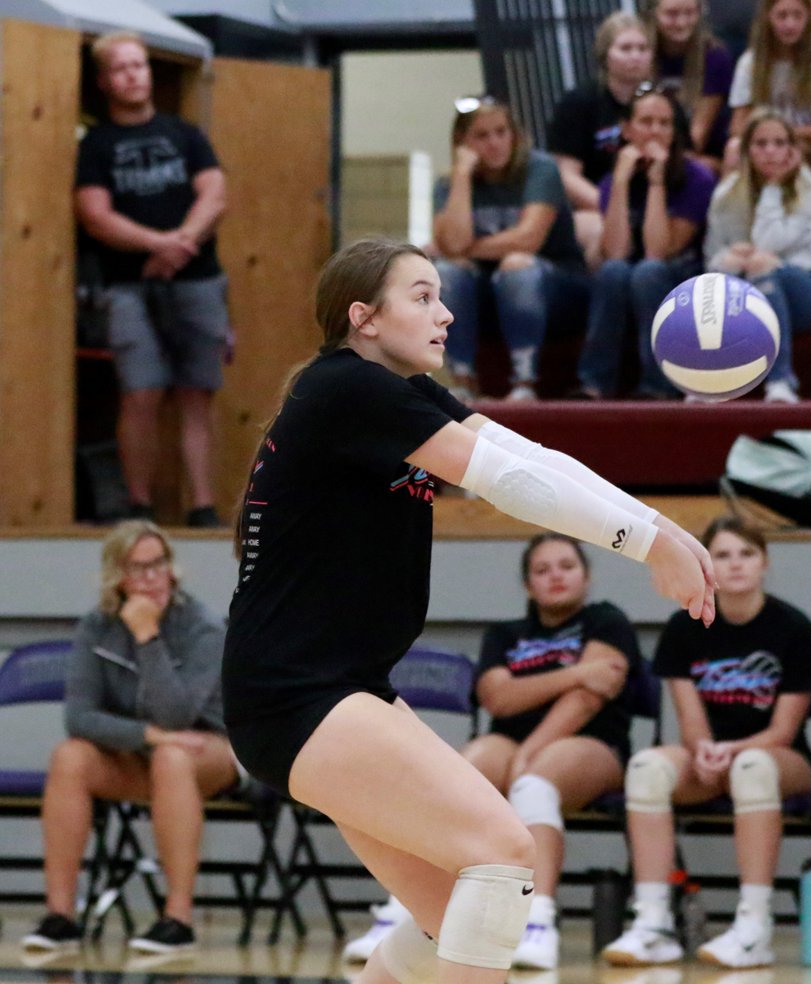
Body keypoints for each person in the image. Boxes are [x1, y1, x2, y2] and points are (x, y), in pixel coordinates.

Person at [220, 238, 714, 984]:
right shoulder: (346, 390)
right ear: (365, 318)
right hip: (298, 696)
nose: (446, 313)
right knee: (505, 852)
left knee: (451, 916)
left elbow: (535, 460)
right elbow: (507, 486)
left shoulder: (398, 393)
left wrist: (663, 529)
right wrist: (647, 545)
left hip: (326, 693)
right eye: (422, 296)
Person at [344, 534, 642, 970]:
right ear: (527, 586)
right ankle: (407, 905)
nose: (555, 576)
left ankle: (538, 922)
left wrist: (534, 745)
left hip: (590, 744)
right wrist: (576, 672)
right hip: (509, 740)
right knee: (462, 770)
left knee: (535, 785)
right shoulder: (506, 633)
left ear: (587, 576)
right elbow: (497, 699)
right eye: (542, 570)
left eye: (565, 566)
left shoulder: (607, 622)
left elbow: (591, 698)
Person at [601, 517, 811, 969]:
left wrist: (733, 752)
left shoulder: (793, 628)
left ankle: (754, 925)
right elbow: (690, 718)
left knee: (753, 768)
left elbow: (784, 729)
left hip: (780, 759)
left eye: (747, 554)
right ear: (706, 564)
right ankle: (653, 922)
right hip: (707, 759)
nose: (736, 564)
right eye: (723, 554)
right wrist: (705, 749)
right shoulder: (686, 625)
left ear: (765, 563)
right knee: (646, 768)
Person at [21, 520, 237, 955]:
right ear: (116, 577)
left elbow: (177, 716)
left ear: (172, 569)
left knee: (172, 759)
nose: (151, 578)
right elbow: (79, 718)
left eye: (158, 564)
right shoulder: (95, 628)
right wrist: (149, 735)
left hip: (209, 751)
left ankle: (178, 919)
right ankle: (60, 916)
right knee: (70, 757)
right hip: (141, 750)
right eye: (138, 569)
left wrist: (147, 637)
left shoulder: (204, 626)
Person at [75, 31, 230, 528]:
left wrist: (180, 242)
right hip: (128, 287)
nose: (133, 75)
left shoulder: (183, 133)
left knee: (196, 393)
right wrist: (156, 245)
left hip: (198, 280)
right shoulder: (98, 144)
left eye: (139, 65)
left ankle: (202, 505)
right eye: (121, 68)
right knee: (140, 393)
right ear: (104, 81)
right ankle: (139, 506)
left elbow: (215, 194)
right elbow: (94, 215)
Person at [432, 97, 587, 400]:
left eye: (501, 132)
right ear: (462, 141)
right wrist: (462, 174)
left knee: (517, 265)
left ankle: (525, 382)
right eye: (482, 135)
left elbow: (528, 240)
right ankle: (463, 380)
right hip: (488, 290)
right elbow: (450, 248)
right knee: (447, 272)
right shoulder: (449, 182)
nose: (494, 143)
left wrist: (464, 247)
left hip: (557, 287)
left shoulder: (539, 168)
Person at [575, 85, 716, 399]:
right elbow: (615, 251)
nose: (655, 131)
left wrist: (655, 182)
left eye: (664, 123)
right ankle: (594, 384)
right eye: (646, 122)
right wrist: (622, 182)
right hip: (634, 274)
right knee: (613, 271)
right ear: (626, 130)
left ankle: (659, 386)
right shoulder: (614, 180)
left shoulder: (697, 177)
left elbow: (660, 251)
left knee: (648, 272)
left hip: (685, 277)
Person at [705, 108, 811, 401]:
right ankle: (710, 376)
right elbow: (711, 256)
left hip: (809, 290)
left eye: (780, 143)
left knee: (763, 266)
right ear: (747, 150)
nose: (771, 152)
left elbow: (768, 242)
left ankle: (780, 380)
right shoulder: (727, 193)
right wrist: (729, 255)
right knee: (725, 270)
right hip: (750, 287)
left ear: (793, 149)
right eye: (761, 144)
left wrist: (774, 188)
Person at [547, 12, 655, 262]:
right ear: (605, 55)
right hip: (594, 206)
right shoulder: (580, 102)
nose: (636, 56)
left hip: (653, 204)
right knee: (602, 233)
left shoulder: (662, 102)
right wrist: (612, 205)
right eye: (626, 48)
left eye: (642, 48)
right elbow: (566, 175)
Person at [727, 0, 811, 178]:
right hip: (763, 144)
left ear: (808, 19)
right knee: (734, 148)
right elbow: (737, 125)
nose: (790, 24)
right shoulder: (749, 62)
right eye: (782, 16)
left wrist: (782, 135)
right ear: (768, 17)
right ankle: (733, 204)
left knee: (790, 151)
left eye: (797, 16)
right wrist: (768, 140)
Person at [647, 0, 737, 167]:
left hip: (700, 153)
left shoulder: (714, 56)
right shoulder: (641, 52)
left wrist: (663, 158)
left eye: (689, 13)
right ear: (654, 14)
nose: (681, 23)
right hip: (651, 148)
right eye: (671, 14)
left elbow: (696, 139)